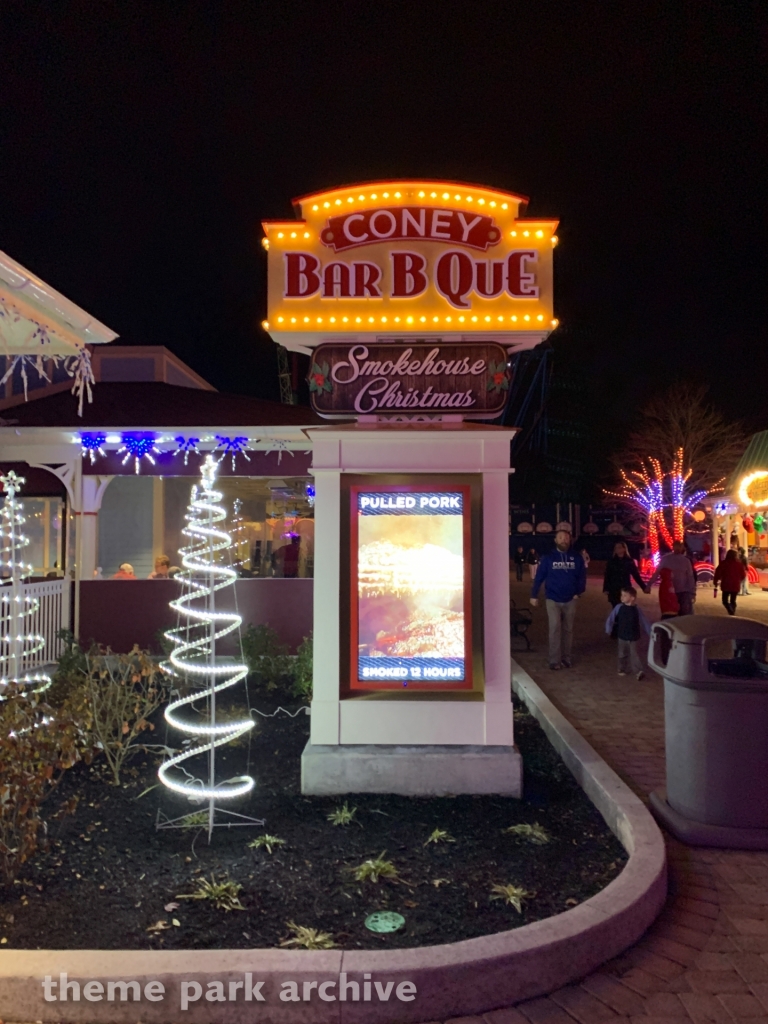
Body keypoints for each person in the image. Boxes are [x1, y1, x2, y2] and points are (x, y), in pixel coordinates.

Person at [530, 528, 587, 670]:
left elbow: (582, 577)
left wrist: (578, 592)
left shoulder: (577, 557)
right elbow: (539, 577)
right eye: (560, 537)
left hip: (570, 599)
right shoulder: (548, 558)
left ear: (570, 540)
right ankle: (554, 660)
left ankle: (566, 658)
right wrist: (533, 595)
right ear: (555, 540)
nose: (564, 540)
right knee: (555, 628)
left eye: (566, 537)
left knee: (568, 629)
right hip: (552, 598)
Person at [605, 587, 651, 680]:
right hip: (622, 635)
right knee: (622, 654)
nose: (622, 597)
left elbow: (644, 621)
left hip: (634, 636)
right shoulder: (619, 607)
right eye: (622, 595)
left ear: (632, 598)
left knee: (635, 654)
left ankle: (638, 671)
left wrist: (650, 631)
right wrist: (608, 628)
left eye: (625, 595)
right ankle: (621, 669)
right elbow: (611, 618)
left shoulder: (637, 609)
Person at [648, 541, 696, 616]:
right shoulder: (683, 561)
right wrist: (692, 592)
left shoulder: (668, 559)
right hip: (675, 590)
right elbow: (690, 577)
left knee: (674, 614)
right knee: (680, 614)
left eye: (679, 546)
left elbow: (690, 577)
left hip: (676, 591)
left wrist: (649, 585)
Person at [603, 541, 648, 607]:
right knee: (616, 607)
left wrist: (644, 587)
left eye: (619, 547)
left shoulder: (629, 561)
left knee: (625, 607)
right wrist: (606, 588)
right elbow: (607, 575)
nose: (617, 549)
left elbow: (636, 575)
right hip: (614, 588)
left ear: (624, 549)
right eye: (616, 548)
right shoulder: (611, 561)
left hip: (625, 587)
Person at [713, 549, 746, 616]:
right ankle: (732, 611)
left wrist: (715, 581)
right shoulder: (739, 564)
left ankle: (730, 611)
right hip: (735, 585)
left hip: (726, 584)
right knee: (733, 601)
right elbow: (743, 575)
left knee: (724, 601)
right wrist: (738, 580)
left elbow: (718, 573)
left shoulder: (724, 563)